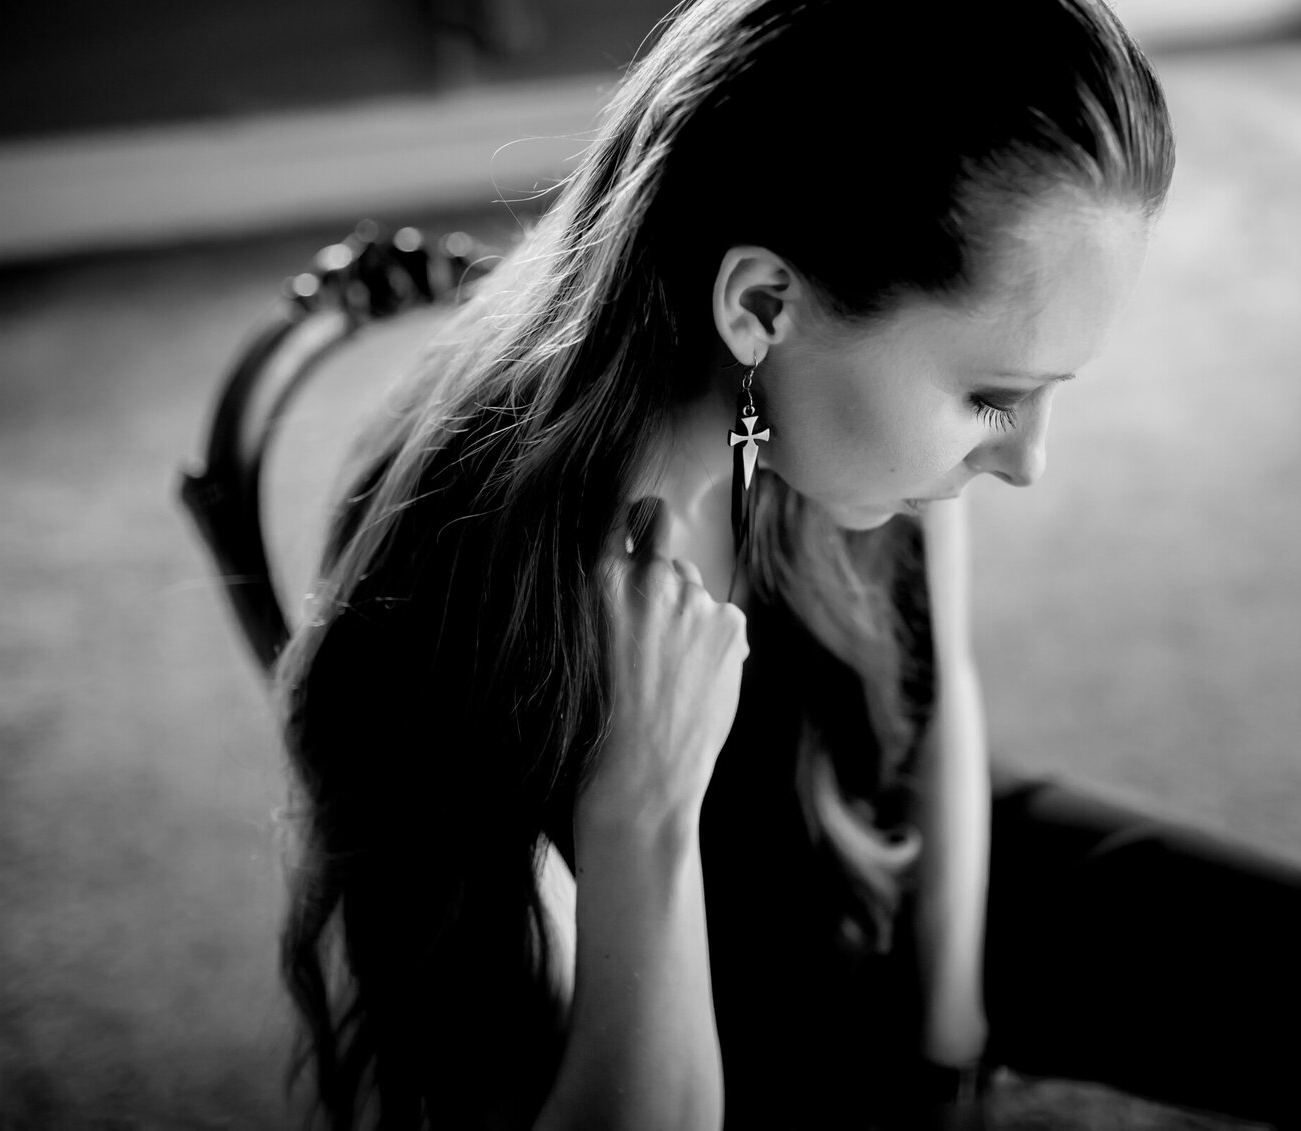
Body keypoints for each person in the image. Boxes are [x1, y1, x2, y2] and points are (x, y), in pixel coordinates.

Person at [273, 2, 1301, 1129]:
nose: (1027, 463)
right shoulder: (482, 617)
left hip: (883, 845)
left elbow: (937, 699)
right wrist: (641, 813)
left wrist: (950, 1024)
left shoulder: (835, 432)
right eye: (993, 398)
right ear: (763, 305)